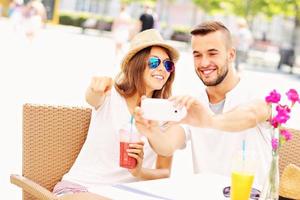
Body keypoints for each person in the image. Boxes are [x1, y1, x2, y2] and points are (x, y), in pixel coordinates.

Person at [134, 21, 272, 187]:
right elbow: (167, 146)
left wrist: (209, 121)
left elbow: (250, 116)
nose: (204, 63)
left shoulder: (257, 93)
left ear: (231, 55)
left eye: (212, 53)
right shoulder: (193, 104)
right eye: (197, 55)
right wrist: (152, 131)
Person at [52, 29, 180, 196]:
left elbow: (164, 172)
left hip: (125, 194)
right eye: (154, 62)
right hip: (80, 189)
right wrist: (94, 88)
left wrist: (139, 172)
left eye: (168, 64)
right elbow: (92, 97)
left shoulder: (165, 114)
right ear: (137, 64)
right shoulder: (110, 94)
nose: (163, 68)